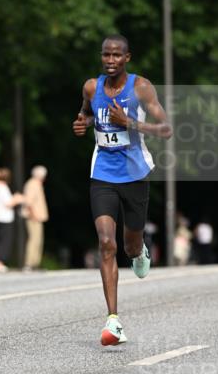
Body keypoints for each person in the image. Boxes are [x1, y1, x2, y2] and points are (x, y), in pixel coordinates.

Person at [72, 34, 171, 345]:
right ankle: (113, 321)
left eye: (116, 55)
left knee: (129, 245)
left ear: (128, 57)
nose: (110, 60)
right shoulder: (91, 86)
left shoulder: (141, 88)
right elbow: (86, 112)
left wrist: (129, 122)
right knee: (106, 243)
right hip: (102, 173)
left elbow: (165, 129)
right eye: (106, 55)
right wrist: (83, 123)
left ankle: (138, 252)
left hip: (135, 174)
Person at [0, 168, 24, 273]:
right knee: (5, 242)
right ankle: (0, 263)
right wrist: (17, 198)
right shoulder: (3, 187)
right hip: (5, 218)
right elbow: (8, 203)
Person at [22, 165, 49, 270]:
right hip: (33, 217)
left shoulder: (37, 184)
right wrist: (33, 215)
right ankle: (29, 263)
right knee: (33, 240)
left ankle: (35, 263)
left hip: (37, 217)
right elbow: (29, 202)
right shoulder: (32, 184)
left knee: (37, 240)